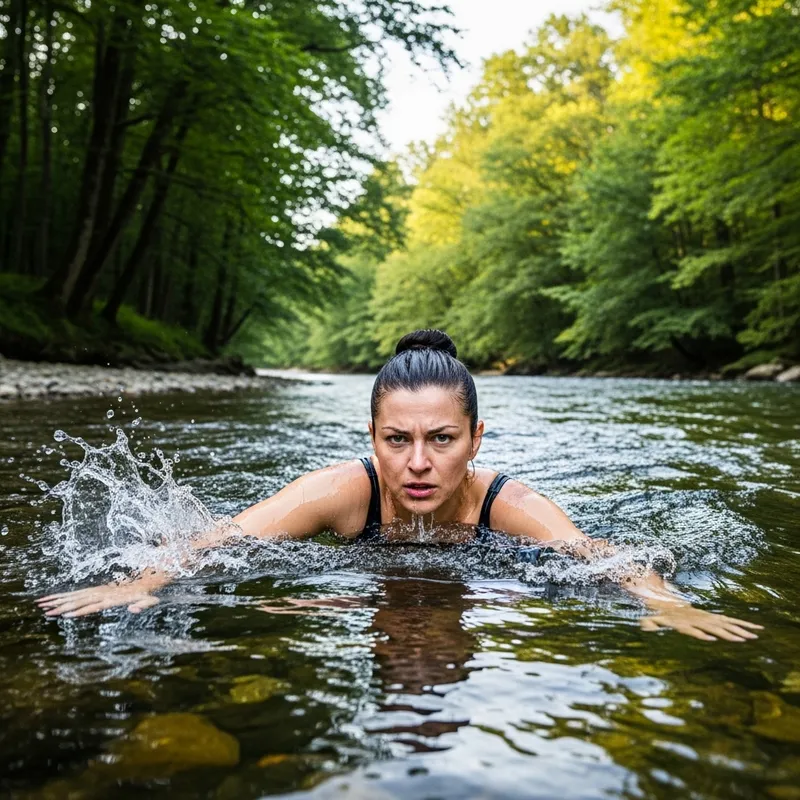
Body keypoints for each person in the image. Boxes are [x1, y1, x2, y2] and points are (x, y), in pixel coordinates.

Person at [37, 329, 762, 642]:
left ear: (475, 441)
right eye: (398, 440)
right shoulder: (339, 492)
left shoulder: (509, 504)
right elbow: (219, 538)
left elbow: (599, 553)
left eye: (441, 440)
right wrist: (145, 580)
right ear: (372, 439)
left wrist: (667, 604)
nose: (419, 462)